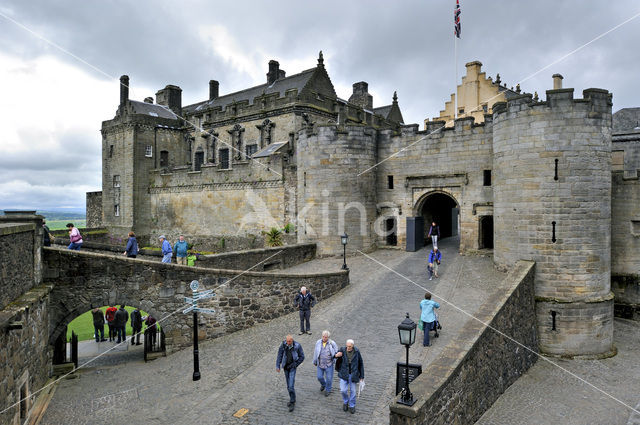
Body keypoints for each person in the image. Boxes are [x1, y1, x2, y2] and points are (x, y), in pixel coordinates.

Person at [276, 334, 305, 412]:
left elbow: (302, 357)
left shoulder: (297, 346)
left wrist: (295, 364)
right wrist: (277, 365)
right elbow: (279, 355)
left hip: (292, 368)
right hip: (285, 367)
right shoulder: (283, 345)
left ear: (292, 340)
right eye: (287, 341)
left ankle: (292, 401)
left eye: (289, 341)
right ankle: (292, 398)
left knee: (291, 386)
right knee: (288, 386)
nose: (288, 342)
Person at [334, 339, 364, 414]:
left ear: (353, 346)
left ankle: (352, 405)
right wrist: (336, 355)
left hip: (353, 374)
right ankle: (345, 401)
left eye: (350, 346)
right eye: (347, 346)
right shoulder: (342, 350)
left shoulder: (356, 352)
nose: (348, 348)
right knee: (343, 390)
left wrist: (362, 376)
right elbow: (335, 355)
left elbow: (361, 363)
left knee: (353, 391)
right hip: (344, 374)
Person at [313, 330, 339, 396]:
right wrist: (315, 361)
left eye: (326, 337)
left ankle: (328, 390)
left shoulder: (332, 343)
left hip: (329, 364)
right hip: (320, 364)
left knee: (329, 379)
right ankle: (323, 384)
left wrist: (335, 359)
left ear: (328, 337)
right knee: (319, 377)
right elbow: (315, 352)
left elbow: (336, 352)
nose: (324, 338)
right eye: (323, 337)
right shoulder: (318, 342)